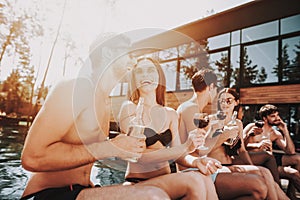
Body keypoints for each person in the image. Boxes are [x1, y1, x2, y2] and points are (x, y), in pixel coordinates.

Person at [20, 33, 173, 200]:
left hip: (80, 190)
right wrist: (111, 147)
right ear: (108, 53)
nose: (133, 61)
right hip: (47, 195)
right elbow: (32, 158)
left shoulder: (104, 101)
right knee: (152, 197)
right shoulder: (78, 87)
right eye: (128, 54)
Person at [118, 57, 222, 199]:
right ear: (134, 80)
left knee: (204, 177)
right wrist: (186, 147)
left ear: (159, 76)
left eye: (150, 70)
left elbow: (180, 155)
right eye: (139, 72)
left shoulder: (170, 113)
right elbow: (141, 157)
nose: (146, 75)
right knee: (195, 180)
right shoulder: (129, 108)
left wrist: (196, 161)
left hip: (167, 179)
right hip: (138, 181)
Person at [177, 69, 288, 200]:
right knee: (260, 186)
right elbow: (199, 151)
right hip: (195, 171)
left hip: (204, 168)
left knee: (264, 173)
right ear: (211, 86)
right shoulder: (191, 109)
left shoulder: (193, 108)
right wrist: (224, 135)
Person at [244, 104, 300, 198]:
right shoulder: (252, 127)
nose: (277, 118)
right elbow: (239, 145)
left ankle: (291, 193)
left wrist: (285, 131)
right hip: (256, 160)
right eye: (273, 116)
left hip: (271, 160)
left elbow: (291, 152)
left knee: (298, 158)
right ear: (265, 118)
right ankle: (286, 194)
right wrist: (257, 145)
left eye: (277, 115)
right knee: (293, 173)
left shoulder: (276, 134)